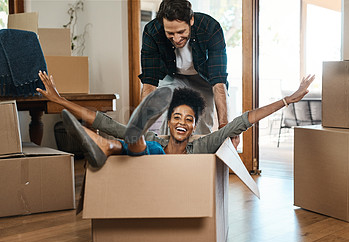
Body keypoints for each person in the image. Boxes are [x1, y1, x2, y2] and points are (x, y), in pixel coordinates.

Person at [37, 71, 315, 169]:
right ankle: (115, 141)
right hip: (147, 168)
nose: (182, 123)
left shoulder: (203, 146)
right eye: (177, 117)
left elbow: (244, 120)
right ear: (168, 121)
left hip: (168, 177)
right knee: (141, 142)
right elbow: (105, 122)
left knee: (142, 144)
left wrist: (288, 100)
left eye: (189, 119)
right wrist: (60, 100)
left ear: (195, 125)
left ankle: (109, 146)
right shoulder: (158, 139)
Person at [139, 0, 229, 135]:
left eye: (181, 32)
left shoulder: (210, 28)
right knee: (172, 117)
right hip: (171, 75)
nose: (176, 38)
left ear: (191, 20)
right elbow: (149, 83)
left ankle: (198, 156)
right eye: (170, 33)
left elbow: (219, 82)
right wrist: (140, 127)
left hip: (203, 78)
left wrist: (224, 126)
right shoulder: (152, 31)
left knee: (201, 122)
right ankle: (169, 155)